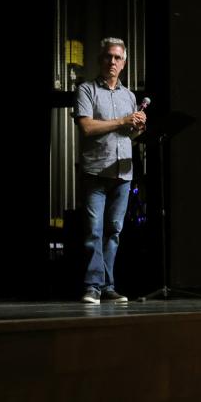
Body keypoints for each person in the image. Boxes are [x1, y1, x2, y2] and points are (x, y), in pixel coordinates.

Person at [73, 38, 145, 304]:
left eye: (117, 58)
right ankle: (92, 286)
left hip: (123, 173)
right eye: (107, 57)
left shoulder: (129, 96)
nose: (112, 62)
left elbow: (129, 136)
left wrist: (137, 128)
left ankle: (107, 286)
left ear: (124, 63)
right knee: (93, 231)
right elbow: (87, 128)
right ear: (100, 60)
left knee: (113, 232)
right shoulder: (86, 90)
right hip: (95, 172)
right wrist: (121, 121)